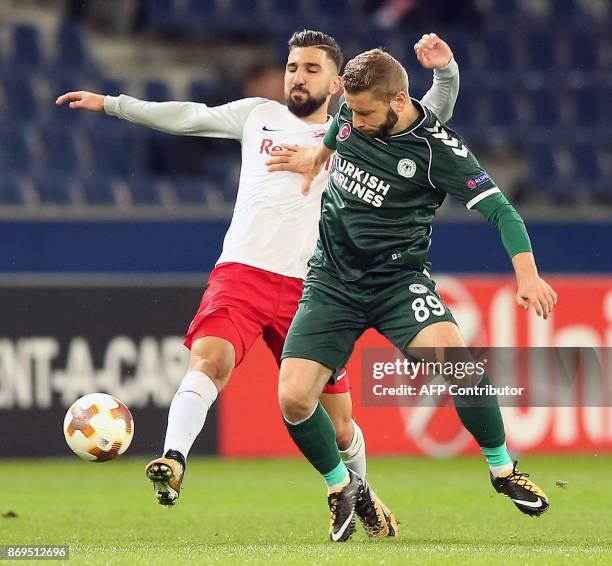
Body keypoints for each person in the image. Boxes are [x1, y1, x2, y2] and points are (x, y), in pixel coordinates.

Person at [56, 31, 460, 538]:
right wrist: (114, 104)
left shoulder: (358, 134)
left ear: (337, 82)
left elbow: (428, 118)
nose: (297, 76)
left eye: (311, 69)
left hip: (315, 289)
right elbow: (188, 116)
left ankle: (362, 495)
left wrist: (444, 73)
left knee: (338, 425)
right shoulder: (256, 115)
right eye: (292, 67)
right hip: (242, 273)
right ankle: (173, 459)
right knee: (210, 358)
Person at [266, 48, 557, 542]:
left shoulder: (437, 150)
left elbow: (503, 212)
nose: (353, 121)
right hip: (331, 282)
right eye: (350, 111)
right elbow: (335, 138)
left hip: (398, 283)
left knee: (460, 362)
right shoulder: (351, 116)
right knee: (293, 398)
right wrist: (314, 159)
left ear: (399, 100)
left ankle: (503, 468)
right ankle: (343, 487)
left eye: (365, 114)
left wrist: (527, 276)